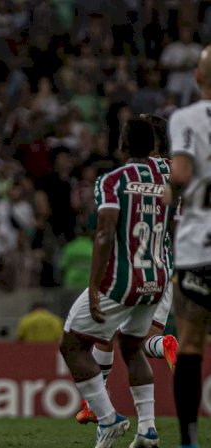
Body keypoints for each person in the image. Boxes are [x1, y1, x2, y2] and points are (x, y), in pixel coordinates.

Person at [59, 118, 176, 448]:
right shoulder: (171, 178)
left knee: (72, 344)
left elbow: (105, 231)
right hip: (157, 276)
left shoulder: (112, 180)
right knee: (132, 347)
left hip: (122, 279)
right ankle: (147, 430)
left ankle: (107, 417)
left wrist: (95, 286)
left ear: (122, 145)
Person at [162, 45, 211, 448]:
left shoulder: (187, 118)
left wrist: (167, 191)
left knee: (191, 343)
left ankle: (189, 440)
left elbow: (180, 172)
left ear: (197, 78)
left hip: (199, 247)